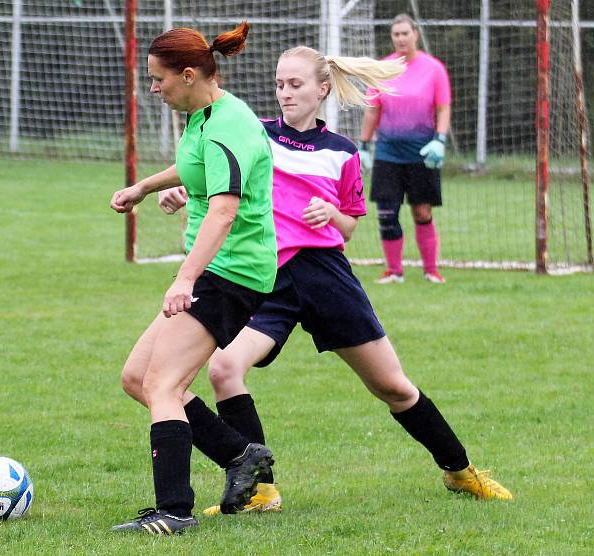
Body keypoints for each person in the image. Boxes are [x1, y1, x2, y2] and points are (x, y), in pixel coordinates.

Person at [157, 45, 512, 515]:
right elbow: (217, 180)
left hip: (325, 277)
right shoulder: (253, 132)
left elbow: (349, 226)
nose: (284, 93)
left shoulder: (342, 153)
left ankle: (460, 470)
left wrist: (332, 214)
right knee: (224, 369)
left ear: (323, 89)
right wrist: (184, 191)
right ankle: (261, 490)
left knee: (393, 387)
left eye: (295, 84)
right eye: (280, 84)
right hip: (268, 278)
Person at [109, 22, 279, 535]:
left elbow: (225, 212)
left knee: (163, 383)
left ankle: (174, 512)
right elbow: (194, 167)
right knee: (137, 379)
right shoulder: (201, 115)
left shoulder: (230, 125)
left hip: (231, 272)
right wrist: (144, 187)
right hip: (216, 269)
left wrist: (184, 279)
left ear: (188, 74)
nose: (153, 89)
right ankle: (240, 455)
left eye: (158, 80)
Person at [359, 13, 451, 285]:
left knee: (422, 211)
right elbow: (372, 110)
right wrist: (364, 145)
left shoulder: (433, 69)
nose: (400, 38)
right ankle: (394, 271)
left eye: (405, 33)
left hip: (422, 152)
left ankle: (431, 270)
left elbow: (443, 107)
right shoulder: (381, 69)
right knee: (387, 213)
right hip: (388, 152)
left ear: (415, 34)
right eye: (395, 34)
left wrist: (440, 140)